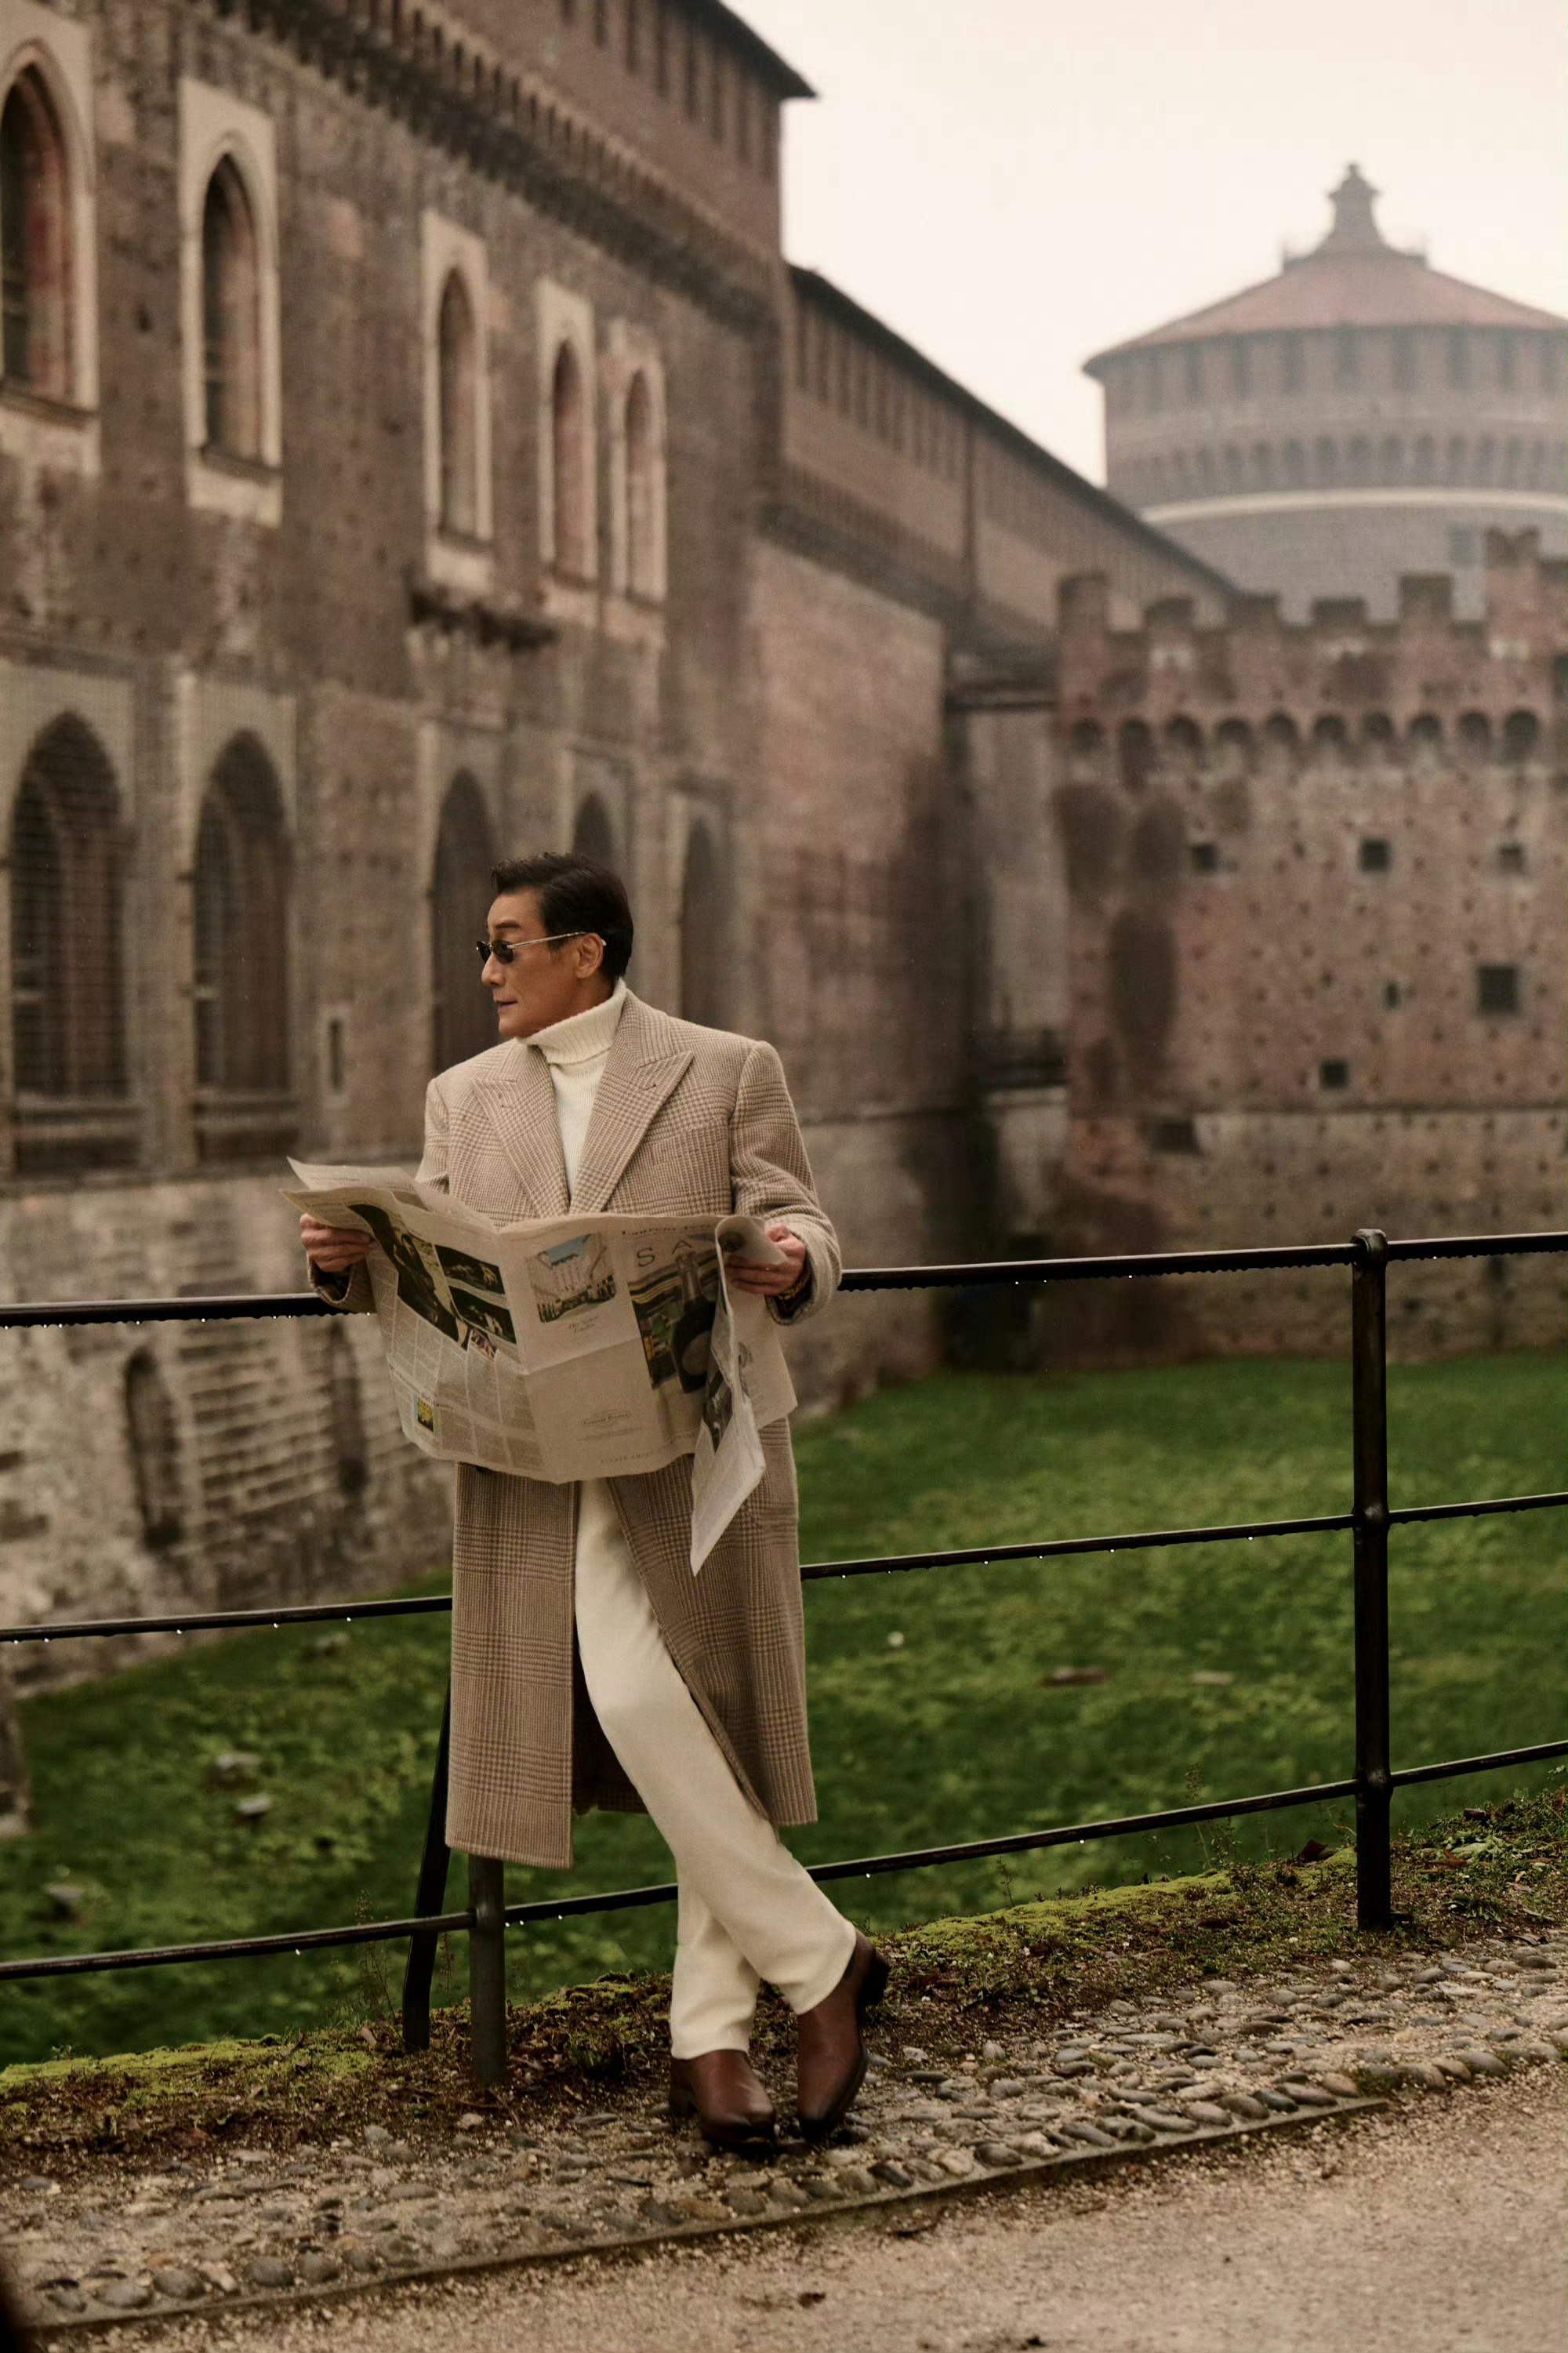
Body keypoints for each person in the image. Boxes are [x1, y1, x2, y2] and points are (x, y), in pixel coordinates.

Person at [300, 852, 886, 2149]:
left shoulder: (725, 1069)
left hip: (695, 1447)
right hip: (538, 1468)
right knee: (649, 1703)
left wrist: (793, 1257)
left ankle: (713, 2036)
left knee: (688, 1709)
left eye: (507, 945)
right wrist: (352, 1261)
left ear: (587, 954)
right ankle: (816, 1965)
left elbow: (800, 1216)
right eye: (484, 948)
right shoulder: (462, 1097)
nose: (487, 971)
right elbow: (435, 1266)